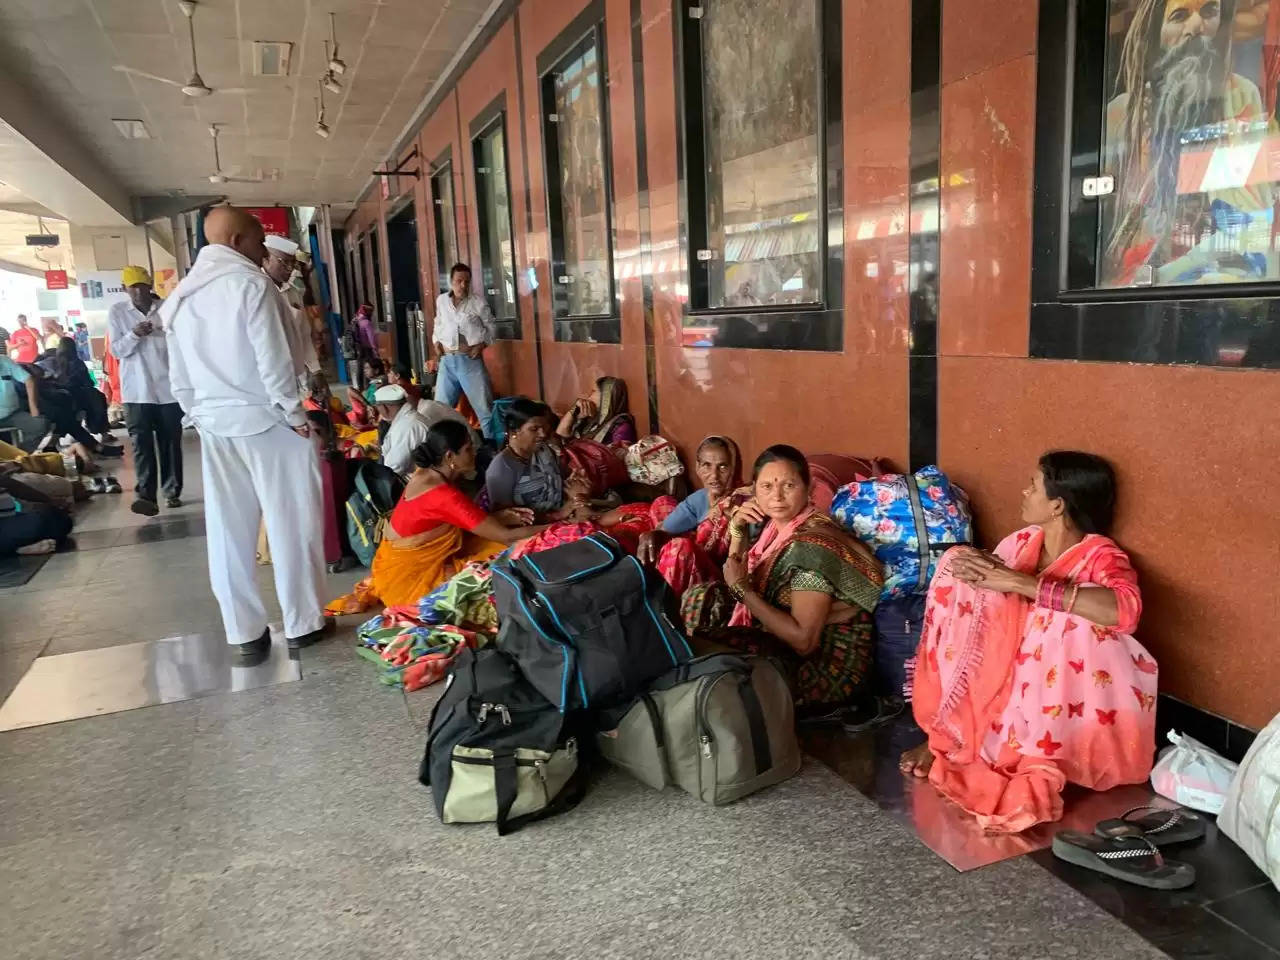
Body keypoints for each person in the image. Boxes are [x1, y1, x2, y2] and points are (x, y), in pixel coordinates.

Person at [900, 451, 1157, 833]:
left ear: (1057, 504)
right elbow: (991, 611)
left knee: (1063, 622)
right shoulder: (1022, 542)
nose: (1024, 491)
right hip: (1015, 680)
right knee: (959, 569)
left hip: (1075, 700)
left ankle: (1037, 755)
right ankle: (952, 735)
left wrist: (1020, 584)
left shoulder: (1100, 556)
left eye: (1033, 485)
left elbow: (1126, 611)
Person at [164, 205, 328, 659]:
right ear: (236, 241)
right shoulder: (250, 286)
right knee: (291, 520)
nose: (262, 251)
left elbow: (177, 377)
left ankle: (244, 633)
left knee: (228, 530)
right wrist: (295, 416)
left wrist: (199, 413)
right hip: (268, 420)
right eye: (258, 241)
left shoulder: (181, 295)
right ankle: (303, 621)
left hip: (214, 424)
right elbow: (272, 361)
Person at [683, 444, 883, 713]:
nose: (776, 496)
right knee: (701, 597)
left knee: (710, 650)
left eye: (788, 486)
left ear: (808, 487)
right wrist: (738, 529)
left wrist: (744, 592)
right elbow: (736, 572)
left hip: (826, 666)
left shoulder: (810, 548)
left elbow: (803, 642)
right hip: (787, 640)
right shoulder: (777, 530)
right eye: (766, 487)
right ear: (754, 490)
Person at [1103, 0, 1273, 286]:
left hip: (1213, 279)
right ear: (1155, 31)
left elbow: (1249, 223)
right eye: (1180, 16)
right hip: (1133, 288)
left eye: (1209, 12)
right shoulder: (1122, 115)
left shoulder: (1240, 97)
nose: (1196, 27)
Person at [327, 420, 547, 615]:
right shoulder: (443, 494)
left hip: (391, 570)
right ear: (450, 457)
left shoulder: (424, 474)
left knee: (494, 543)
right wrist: (559, 527)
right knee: (512, 553)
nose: (474, 452)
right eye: (468, 449)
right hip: (413, 583)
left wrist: (495, 517)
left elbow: (446, 522)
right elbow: (506, 536)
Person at [109, 265, 184, 516]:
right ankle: (146, 496)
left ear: (150, 286)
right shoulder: (118, 312)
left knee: (170, 443)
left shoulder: (166, 308)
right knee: (141, 444)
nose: (139, 293)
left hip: (168, 390)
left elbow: (180, 343)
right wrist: (134, 334)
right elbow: (117, 351)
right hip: (137, 392)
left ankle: (171, 491)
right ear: (124, 289)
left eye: (143, 286)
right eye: (133, 288)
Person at [636, 435, 752, 598]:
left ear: (734, 468)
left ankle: (662, 608)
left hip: (723, 580)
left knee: (680, 548)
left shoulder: (743, 500)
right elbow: (665, 528)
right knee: (662, 504)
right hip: (695, 561)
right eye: (707, 465)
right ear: (697, 468)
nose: (714, 476)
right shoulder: (700, 498)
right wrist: (653, 535)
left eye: (723, 467)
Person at [485, 397, 591, 518]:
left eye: (543, 428)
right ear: (513, 432)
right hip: (531, 530)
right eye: (534, 429)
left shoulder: (544, 450)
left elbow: (563, 478)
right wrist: (557, 515)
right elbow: (504, 519)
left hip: (563, 515)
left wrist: (576, 483)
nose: (543, 434)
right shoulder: (502, 467)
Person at [432, 263, 495, 440]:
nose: (463, 285)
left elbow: (492, 328)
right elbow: (438, 323)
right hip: (447, 361)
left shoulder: (478, 303)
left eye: (466, 282)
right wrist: (436, 341)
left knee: (484, 409)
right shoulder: (442, 300)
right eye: (459, 281)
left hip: (469, 361)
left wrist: (481, 346)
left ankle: (492, 448)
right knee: (439, 409)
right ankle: (443, 447)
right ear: (451, 282)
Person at [262, 234, 318, 379]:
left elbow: (304, 335)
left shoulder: (295, 291)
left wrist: (316, 370)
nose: (290, 269)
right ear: (266, 258)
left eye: (293, 264)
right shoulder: (258, 291)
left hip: (297, 374)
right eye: (284, 262)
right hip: (271, 375)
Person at [556, 376, 637, 447]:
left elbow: (616, 460)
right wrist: (574, 409)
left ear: (606, 397)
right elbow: (560, 433)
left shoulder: (622, 427)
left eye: (594, 391)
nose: (589, 396)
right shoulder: (591, 423)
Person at [374, 383, 432, 477]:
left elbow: (394, 468)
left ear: (384, 407)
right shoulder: (407, 419)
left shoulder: (407, 425)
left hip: (418, 479)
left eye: (377, 407)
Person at [0, 353, 50, 450]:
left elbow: (29, 380)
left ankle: (19, 456)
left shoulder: (5, 361)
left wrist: (33, 408)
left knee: (40, 425)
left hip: (13, 414)